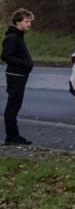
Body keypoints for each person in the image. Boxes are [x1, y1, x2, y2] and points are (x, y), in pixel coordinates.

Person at [3, 8, 32, 146]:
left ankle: (13, 135)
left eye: (29, 21)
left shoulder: (18, 36)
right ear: (17, 22)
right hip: (16, 75)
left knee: (15, 105)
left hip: (20, 74)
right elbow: (6, 56)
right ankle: (12, 136)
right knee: (13, 106)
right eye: (26, 21)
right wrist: (24, 64)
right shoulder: (12, 37)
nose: (29, 24)